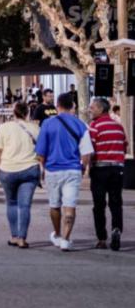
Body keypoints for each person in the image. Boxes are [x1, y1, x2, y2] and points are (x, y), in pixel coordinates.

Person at [35, 92, 93, 251]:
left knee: (54, 205)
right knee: (70, 205)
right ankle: (66, 240)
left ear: (57, 106)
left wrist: (44, 168)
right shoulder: (81, 125)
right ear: (73, 106)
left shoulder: (47, 124)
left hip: (53, 170)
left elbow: (40, 153)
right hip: (73, 170)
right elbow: (86, 153)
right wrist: (82, 169)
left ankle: (58, 234)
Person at [0, 102, 41, 248]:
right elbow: (42, 150)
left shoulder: (4, 128)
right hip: (30, 168)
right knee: (25, 206)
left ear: (13, 113)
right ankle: (22, 238)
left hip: (8, 169)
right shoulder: (35, 128)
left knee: (11, 203)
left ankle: (14, 235)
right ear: (27, 113)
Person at [88, 97, 126, 250]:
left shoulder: (94, 126)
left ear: (101, 109)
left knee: (99, 204)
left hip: (100, 169)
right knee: (116, 202)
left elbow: (90, 149)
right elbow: (124, 145)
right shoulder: (118, 127)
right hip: (117, 169)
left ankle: (102, 238)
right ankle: (116, 229)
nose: (90, 110)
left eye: (93, 108)